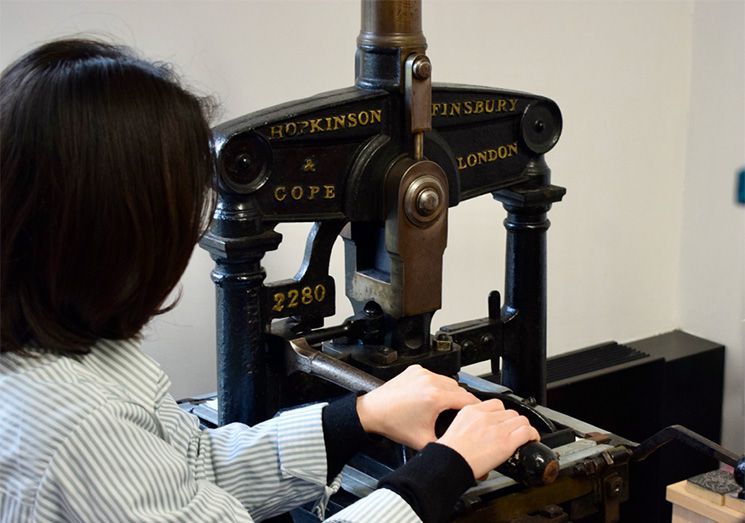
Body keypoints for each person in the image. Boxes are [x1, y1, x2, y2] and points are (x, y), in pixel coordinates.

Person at [0, 39, 540, 523]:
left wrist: (359, 416)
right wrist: (441, 473)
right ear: (118, 234)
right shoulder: (77, 432)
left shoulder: (65, 353)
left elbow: (191, 467)